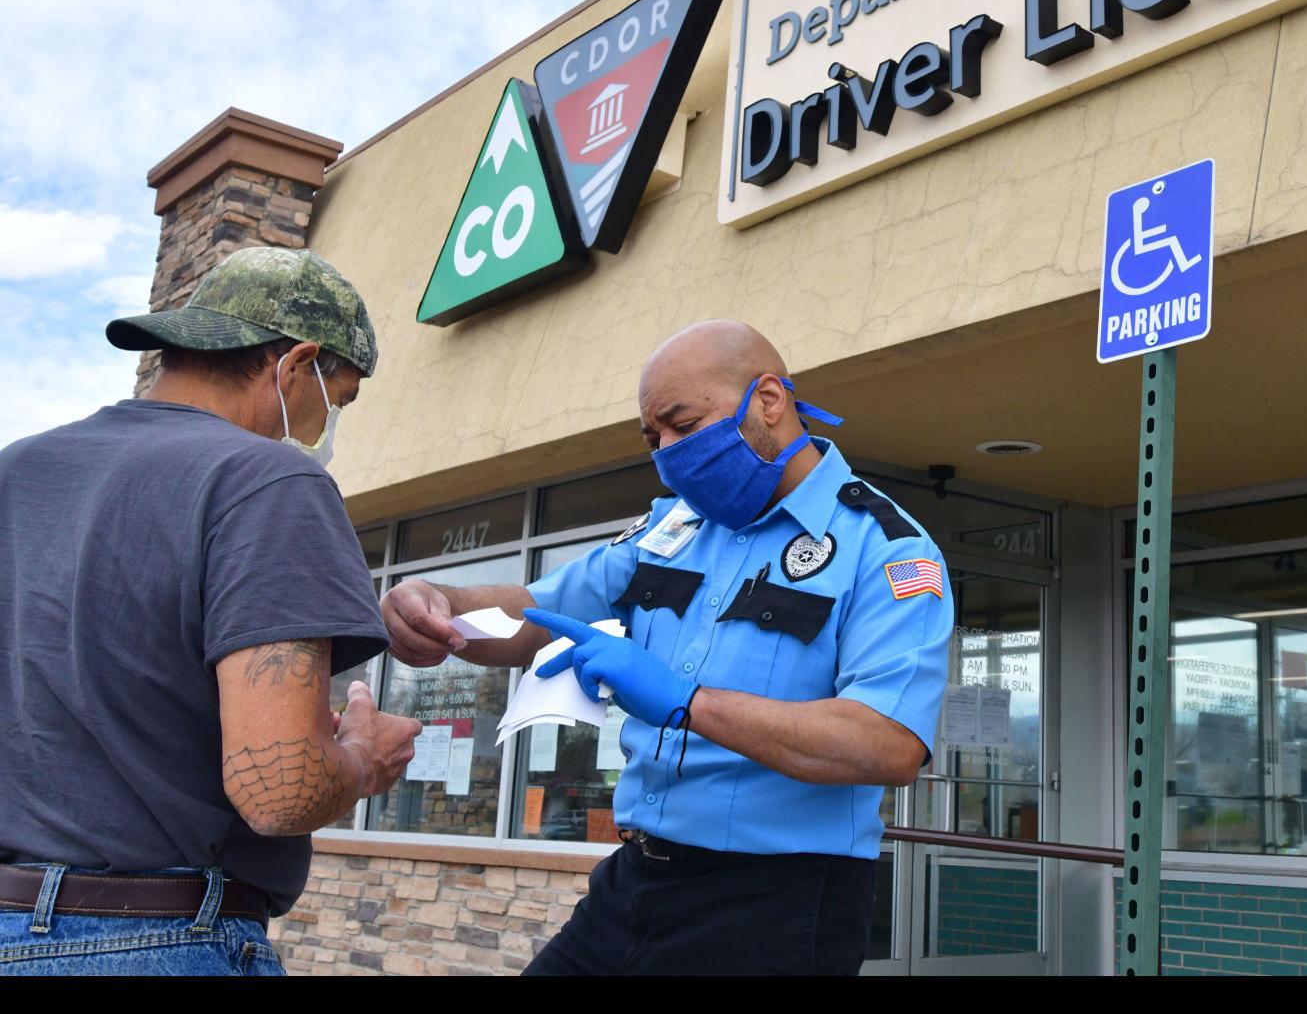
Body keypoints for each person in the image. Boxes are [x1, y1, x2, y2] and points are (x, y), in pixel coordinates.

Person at [382, 319, 954, 975]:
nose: (667, 451)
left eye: (683, 424)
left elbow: (888, 743)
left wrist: (688, 702)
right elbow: (536, 614)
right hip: (633, 881)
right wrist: (439, 602)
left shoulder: (884, 549)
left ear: (769, 401)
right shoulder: (672, 528)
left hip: (774, 905)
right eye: (654, 437)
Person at [0, 246, 422, 976]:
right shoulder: (265, 478)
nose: (322, 427)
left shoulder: (16, 470)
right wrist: (360, 760)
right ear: (296, 367)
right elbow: (279, 792)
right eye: (338, 399)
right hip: (154, 941)